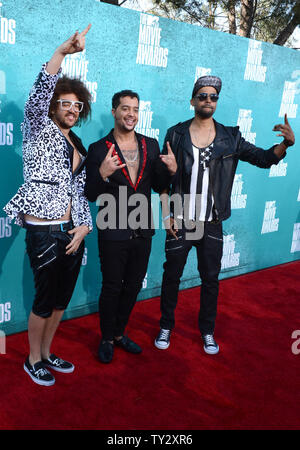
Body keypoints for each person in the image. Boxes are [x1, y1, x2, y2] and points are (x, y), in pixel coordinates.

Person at [154, 75, 295, 355]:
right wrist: (166, 215)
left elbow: (263, 158)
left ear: (217, 102)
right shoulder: (175, 134)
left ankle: (207, 332)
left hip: (212, 224)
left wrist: (285, 146)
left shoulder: (231, 137)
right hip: (181, 220)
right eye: (203, 96)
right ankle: (166, 325)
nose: (208, 100)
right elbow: (161, 181)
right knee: (171, 277)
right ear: (192, 100)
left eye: (213, 97)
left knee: (210, 280)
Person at [3, 25, 93, 386]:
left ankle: (48, 352)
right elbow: (39, 93)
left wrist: (85, 225)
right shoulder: (38, 128)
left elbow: (80, 190)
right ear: (54, 105)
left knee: (60, 302)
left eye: (77, 104)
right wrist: (62, 52)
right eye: (65, 103)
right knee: (43, 300)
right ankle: (32, 358)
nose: (71, 109)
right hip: (44, 231)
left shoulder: (79, 144)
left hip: (74, 232)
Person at [85, 90, 177, 363]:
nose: (131, 114)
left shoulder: (151, 144)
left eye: (135, 109)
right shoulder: (98, 149)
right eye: (125, 108)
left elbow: (159, 186)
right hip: (112, 227)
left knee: (134, 285)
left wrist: (171, 171)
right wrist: (102, 172)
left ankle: (118, 333)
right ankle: (106, 337)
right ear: (114, 111)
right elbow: (90, 193)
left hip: (142, 228)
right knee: (112, 286)